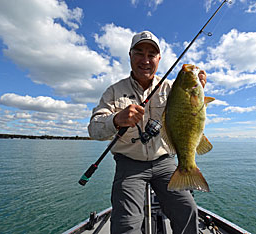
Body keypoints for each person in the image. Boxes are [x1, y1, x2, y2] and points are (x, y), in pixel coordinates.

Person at [88, 30, 207, 234]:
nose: (145, 60)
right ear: (130, 56)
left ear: (159, 59)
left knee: (187, 210)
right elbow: (94, 129)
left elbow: (191, 117)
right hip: (129, 164)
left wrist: (199, 87)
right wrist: (115, 120)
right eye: (139, 53)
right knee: (126, 224)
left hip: (165, 162)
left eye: (151, 55)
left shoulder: (172, 87)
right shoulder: (113, 91)